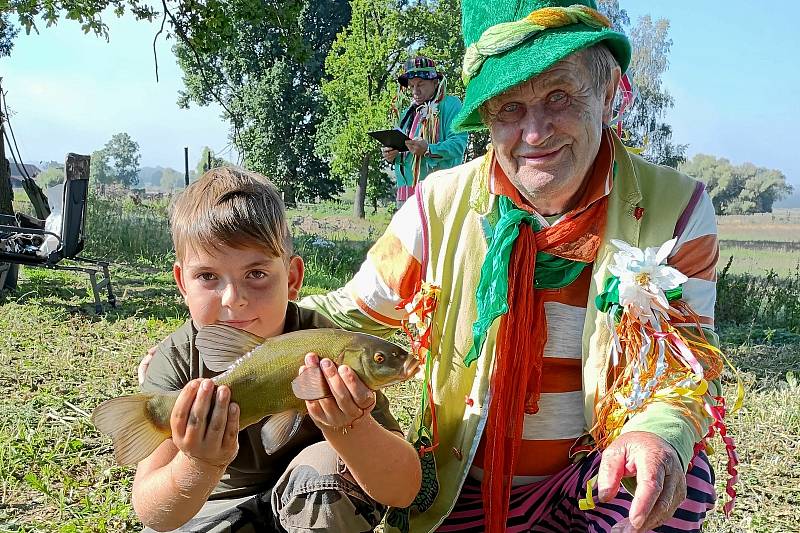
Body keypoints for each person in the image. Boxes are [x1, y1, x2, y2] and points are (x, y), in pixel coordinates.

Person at [302, 1, 729, 532]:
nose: (534, 133)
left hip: (591, 478)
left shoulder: (676, 207)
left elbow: (685, 366)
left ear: (607, 92)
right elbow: (348, 316)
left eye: (558, 96)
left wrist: (658, 431)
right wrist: (236, 328)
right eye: (508, 107)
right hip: (466, 482)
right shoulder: (438, 206)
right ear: (485, 117)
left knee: (674, 476)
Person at [134, 167, 421, 532]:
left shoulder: (330, 344)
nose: (233, 299)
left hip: (309, 499)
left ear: (293, 278)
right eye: (207, 276)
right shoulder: (176, 358)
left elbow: (403, 490)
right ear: (182, 283)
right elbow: (152, 513)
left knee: (331, 466)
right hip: (214, 507)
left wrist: (353, 426)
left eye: (256, 274)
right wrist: (199, 463)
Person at [382, 56, 468, 205]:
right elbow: (405, 153)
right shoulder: (407, 113)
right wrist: (392, 154)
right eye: (411, 86)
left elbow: (458, 145)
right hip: (405, 196)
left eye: (420, 84)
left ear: (435, 83)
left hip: (438, 194)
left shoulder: (451, 105)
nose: (415, 91)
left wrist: (428, 149)